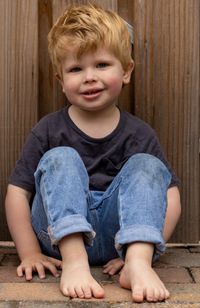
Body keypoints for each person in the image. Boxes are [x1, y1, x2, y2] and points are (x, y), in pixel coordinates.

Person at [5, 3, 181, 303]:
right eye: (76, 69)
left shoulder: (139, 134)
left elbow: (170, 196)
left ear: (126, 71)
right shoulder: (49, 130)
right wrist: (30, 252)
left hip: (120, 240)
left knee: (148, 166)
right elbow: (17, 193)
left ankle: (137, 264)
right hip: (58, 238)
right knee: (61, 157)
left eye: (101, 65)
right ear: (61, 81)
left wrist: (146, 250)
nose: (89, 77)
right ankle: (76, 263)